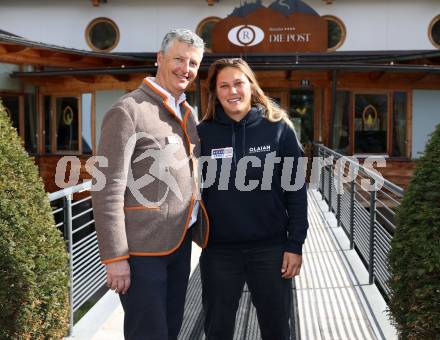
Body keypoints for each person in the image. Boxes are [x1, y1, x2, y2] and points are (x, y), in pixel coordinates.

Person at [92, 29, 209, 340]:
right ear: (159, 59)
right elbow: (107, 188)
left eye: (194, 63)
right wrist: (115, 258)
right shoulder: (128, 110)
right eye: (179, 59)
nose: (186, 69)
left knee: (170, 330)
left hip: (179, 244)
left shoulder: (188, 112)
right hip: (142, 253)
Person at [197, 58, 309, 340]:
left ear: (251, 86)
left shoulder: (278, 128)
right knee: (217, 330)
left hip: (270, 249)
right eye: (224, 85)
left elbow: (296, 190)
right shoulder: (202, 135)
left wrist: (295, 244)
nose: (232, 90)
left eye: (238, 82)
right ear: (215, 93)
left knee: (277, 329)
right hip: (219, 251)